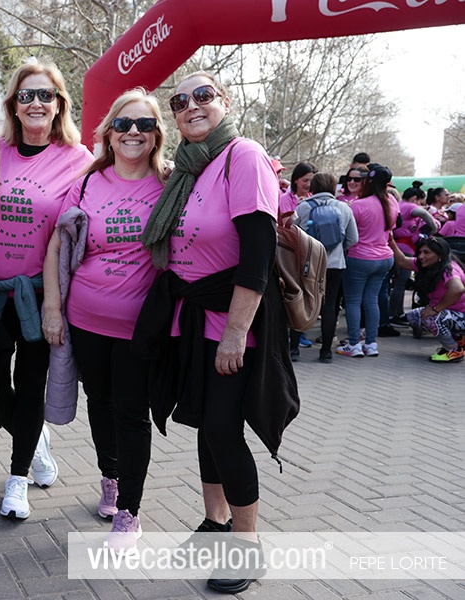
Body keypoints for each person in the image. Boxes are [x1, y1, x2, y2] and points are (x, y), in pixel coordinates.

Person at [136, 71, 298, 594]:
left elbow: (257, 255)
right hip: (192, 318)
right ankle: (214, 522)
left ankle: (247, 545)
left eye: (203, 95)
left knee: (225, 430)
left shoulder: (242, 156)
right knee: (206, 425)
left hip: (233, 320)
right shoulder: (190, 167)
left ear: (224, 102)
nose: (191, 105)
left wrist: (234, 332)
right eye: (179, 100)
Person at [43, 87, 170, 549]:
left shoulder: (171, 184)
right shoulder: (86, 183)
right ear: (109, 134)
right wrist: (52, 309)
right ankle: (110, 479)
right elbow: (57, 246)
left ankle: (130, 514)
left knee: (132, 414)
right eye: (123, 124)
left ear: (157, 135)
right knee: (100, 402)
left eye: (145, 124)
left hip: (140, 328)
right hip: (85, 321)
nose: (133, 132)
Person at [0, 61, 93, 521]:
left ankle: (17, 477)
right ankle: (36, 438)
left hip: (39, 295)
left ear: (60, 103)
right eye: (26, 95)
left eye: (46, 95)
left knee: (29, 387)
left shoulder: (79, 159)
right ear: (13, 104)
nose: (36, 103)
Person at [293, 173, 358, 362]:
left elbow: (293, 233)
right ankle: (326, 352)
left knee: (302, 303)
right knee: (330, 305)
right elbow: (353, 239)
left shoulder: (303, 207)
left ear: (313, 187)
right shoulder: (344, 208)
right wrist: (338, 250)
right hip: (335, 265)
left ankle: (293, 349)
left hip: (308, 263)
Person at [336, 164, 398, 358]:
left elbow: (345, 232)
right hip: (385, 257)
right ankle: (371, 343)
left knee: (353, 301)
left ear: (368, 181)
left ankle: (354, 344)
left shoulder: (359, 205)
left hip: (360, 257)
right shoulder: (392, 201)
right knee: (372, 300)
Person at [391, 236, 465, 362]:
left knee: (431, 318)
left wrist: (436, 309)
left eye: (427, 252)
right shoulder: (426, 265)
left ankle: (453, 350)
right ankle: (459, 338)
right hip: (451, 314)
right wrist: (390, 240)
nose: (421, 256)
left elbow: (457, 289)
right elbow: (402, 261)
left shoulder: (448, 269)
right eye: (420, 252)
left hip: (461, 315)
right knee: (414, 316)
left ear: (440, 255)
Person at [387, 184, 436, 327]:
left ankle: (397, 313)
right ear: (415, 198)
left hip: (396, 246)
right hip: (405, 248)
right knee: (401, 282)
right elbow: (423, 214)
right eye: (420, 201)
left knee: (397, 282)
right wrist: (433, 227)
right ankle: (394, 314)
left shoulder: (397, 205)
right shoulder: (409, 206)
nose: (421, 205)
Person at [281, 162, 317, 354]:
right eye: (305, 180)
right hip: (289, 253)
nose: (308, 184)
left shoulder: (312, 199)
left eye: (311, 181)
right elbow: (285, 226)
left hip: (308, 253)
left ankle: (300, 332)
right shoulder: (285, 199)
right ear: (296, 180)